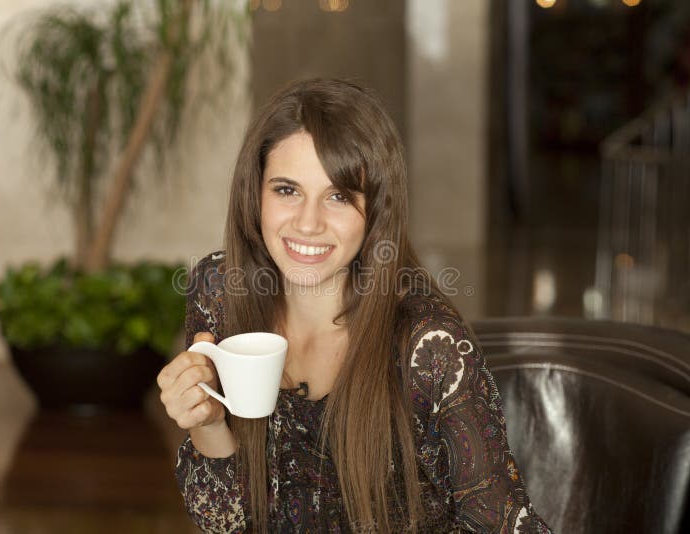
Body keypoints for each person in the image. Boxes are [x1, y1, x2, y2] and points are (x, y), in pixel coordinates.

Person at [157, 78, 551, 533]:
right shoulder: (219, 290)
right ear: (254, 195)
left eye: (339, 196)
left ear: (377, 211)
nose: (308, 223)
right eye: (287, 190)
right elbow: (229, 521)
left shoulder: (429, 346)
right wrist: (206, 423)